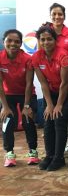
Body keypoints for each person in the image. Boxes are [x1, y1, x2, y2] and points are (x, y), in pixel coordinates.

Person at [32, 26, 68, 171]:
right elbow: (43, 83)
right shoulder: (36, 57)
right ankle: (49, 155)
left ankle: (59, 157)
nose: (46, 42)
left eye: (49, 39)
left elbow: (65, 83)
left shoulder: (64, 55)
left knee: (59, 118)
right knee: (48, 120)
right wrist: (49, 104)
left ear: (55, 40)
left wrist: (59, 105)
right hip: (50, 93)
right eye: (42, 39)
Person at [0, 29, 38, 167]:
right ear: (4, 41)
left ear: (21, 44)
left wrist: (26, 106)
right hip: (8, 95)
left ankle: (33, 152)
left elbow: (29, 84)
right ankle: (9, 153)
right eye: (9, 40)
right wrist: (4, 107)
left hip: (26, 94)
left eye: (17, 41)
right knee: (8, 121)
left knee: (28, 120)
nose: (13, 44)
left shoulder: (27, 59)